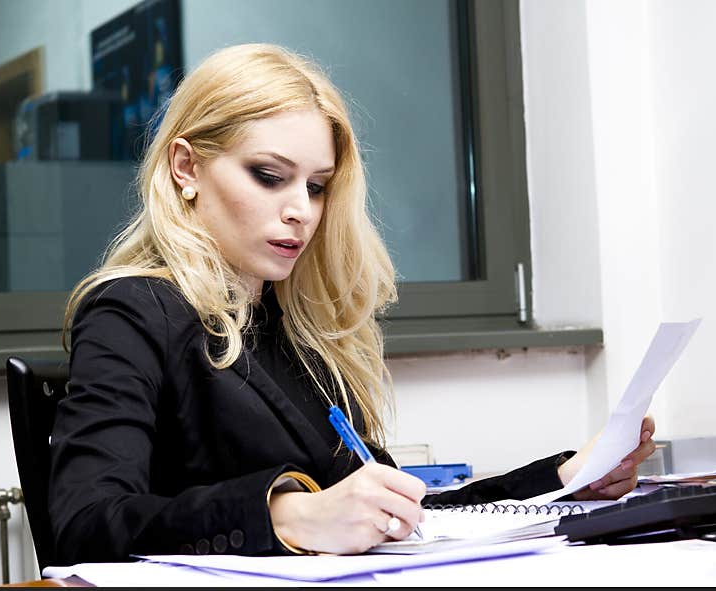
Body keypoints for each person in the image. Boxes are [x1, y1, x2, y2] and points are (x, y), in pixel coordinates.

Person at [48, 43, 656, 564]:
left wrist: (563, 482)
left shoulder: (298, 328)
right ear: (186, 167)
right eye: (268, 175)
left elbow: (402, 513)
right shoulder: (131, 310)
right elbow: (86, 522)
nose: (301, 211)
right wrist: (286, 516)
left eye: (316, 186)